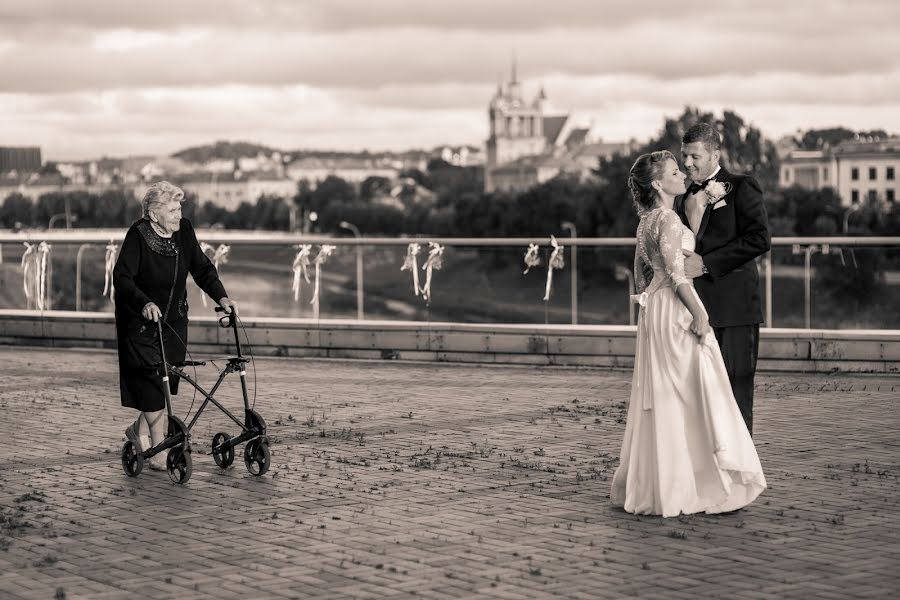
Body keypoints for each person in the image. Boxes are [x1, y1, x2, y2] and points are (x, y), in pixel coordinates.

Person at [610, 151, 766, 517]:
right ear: (658, 184)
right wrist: (699, 313)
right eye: (675, 172)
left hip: (656, 311)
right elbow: (680, 275)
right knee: (698, 390)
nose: (683, 174)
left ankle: (670, 481)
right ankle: (702, 478)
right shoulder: (666, 218)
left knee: (670, 394)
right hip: (678, 308)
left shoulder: (646, 221)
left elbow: (641, 275)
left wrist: (650, 312)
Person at [113, 181, 237, 470]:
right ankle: (158, 450)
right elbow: (122, 278)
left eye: (179, 207)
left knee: (164, 382)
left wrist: (222, 295)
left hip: (173, 322)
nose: (178, 214)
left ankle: (138, 431)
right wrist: (144, 303)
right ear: (154, 214)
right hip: (141, 322)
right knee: (152, 383)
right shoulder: (138, 235)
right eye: (171, 209)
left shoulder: (184, 231)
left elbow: (202, 268)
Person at [677, 123, 771, 435]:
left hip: (734, 308)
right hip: (694, 310)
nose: (687, 163)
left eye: (695, 156)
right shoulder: (682, 197)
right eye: (684, 155)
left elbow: (759, 239)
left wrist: (706, 264)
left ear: (715, 154)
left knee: (736, 388)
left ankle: (740, 470)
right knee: (699, 391)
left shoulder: (742, 186)